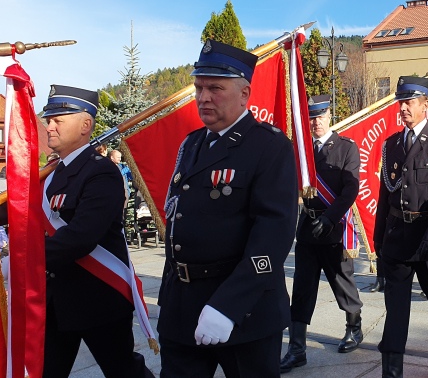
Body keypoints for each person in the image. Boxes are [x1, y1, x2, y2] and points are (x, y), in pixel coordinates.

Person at [156, 40, 298, 378]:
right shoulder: (192, 143)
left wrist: (228, 306)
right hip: (182, 305)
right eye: (199, 87)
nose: (203, 97)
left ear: (244, 93)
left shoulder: (268, 145)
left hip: (243, 311)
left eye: (215, 88)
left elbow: (273, 235)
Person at [39, 85, 152, 377]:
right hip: (56, 299)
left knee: (123, 371)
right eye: (48, 120)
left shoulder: (101, 172)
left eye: (57, 120)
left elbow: (82, 236)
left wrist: (25, 259)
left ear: (85, 125)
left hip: (98, 297)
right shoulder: (52, 174)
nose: (49, 127)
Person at [374, 75, 428, 378]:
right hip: (398, 236)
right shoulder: (391, 145)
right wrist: (379, 239)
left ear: (425, 105)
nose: (403, 108)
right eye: (401, 102)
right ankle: (391, 368)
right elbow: (385, 196)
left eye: (409, 102)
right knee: (395, 309)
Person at [280, 95, 364, 373]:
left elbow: (350, 189)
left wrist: (330, 217)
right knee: (302, 288)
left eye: (321, 116)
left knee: (342, 282)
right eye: (312, 117)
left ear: (330, 116)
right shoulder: (302, 150)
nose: (316, 122)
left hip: (334, 228)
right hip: (308, 227)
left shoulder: (346, 147)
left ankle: (354, 327)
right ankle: (297, 349)